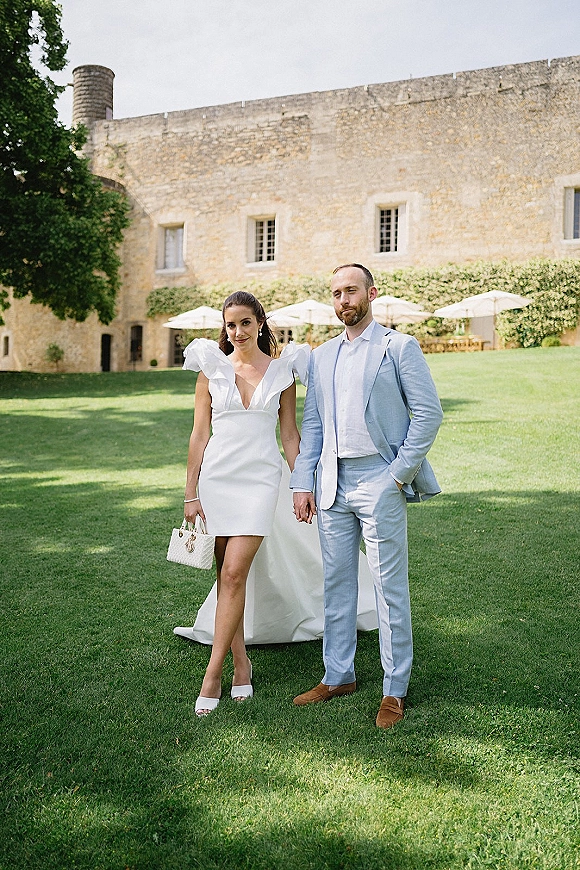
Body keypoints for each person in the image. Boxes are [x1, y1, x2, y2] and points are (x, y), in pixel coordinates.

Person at [174, 290, 378, 716]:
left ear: (260, 323)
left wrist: (304, 483)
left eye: (246, 323)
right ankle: (241, 663)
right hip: (217, 479)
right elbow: (199, 436)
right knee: (225, 573)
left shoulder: (282, 373)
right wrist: (190, 492)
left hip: (261, 480)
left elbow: (289, 436)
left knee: (233, 573)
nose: (238, 331)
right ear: (224, 329)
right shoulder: (210, 370)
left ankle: (213, 674)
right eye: (230, 325)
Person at [291, 264, 443, 729]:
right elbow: (313, 425)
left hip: (380, 479)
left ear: (371, 294)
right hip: (331, 482)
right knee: (336, 584)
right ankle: (338, 675)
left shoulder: (399, 347)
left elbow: (428, 414)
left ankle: (394, 689)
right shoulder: (320, 357)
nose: (343, 300)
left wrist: (396, 476)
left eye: (350, 291)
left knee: (387, 588)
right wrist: (302, 481)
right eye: (335, 293)